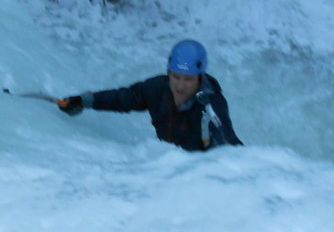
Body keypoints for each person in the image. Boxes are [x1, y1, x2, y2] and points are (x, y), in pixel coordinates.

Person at [58, 39, 242, 151]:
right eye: (176, 76)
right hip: (168, 166)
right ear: (168, 72)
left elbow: (228, 145)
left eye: (188, 79)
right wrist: (84, 101)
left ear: (200, 78)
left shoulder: (211, 105)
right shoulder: (157, 88)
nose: (180, 85)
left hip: (198, 176)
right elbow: (124, 98)